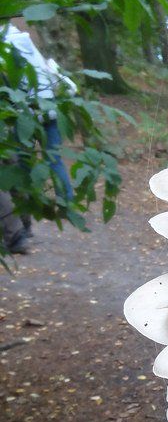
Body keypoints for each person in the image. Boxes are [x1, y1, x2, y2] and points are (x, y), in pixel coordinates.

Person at [0, 20, 75, 255]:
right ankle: (66, 205)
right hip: (49, 107)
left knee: (20, 163)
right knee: (54, 159)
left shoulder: (6, 47)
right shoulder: (27, 42)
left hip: (26, 114)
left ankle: (23, 224)